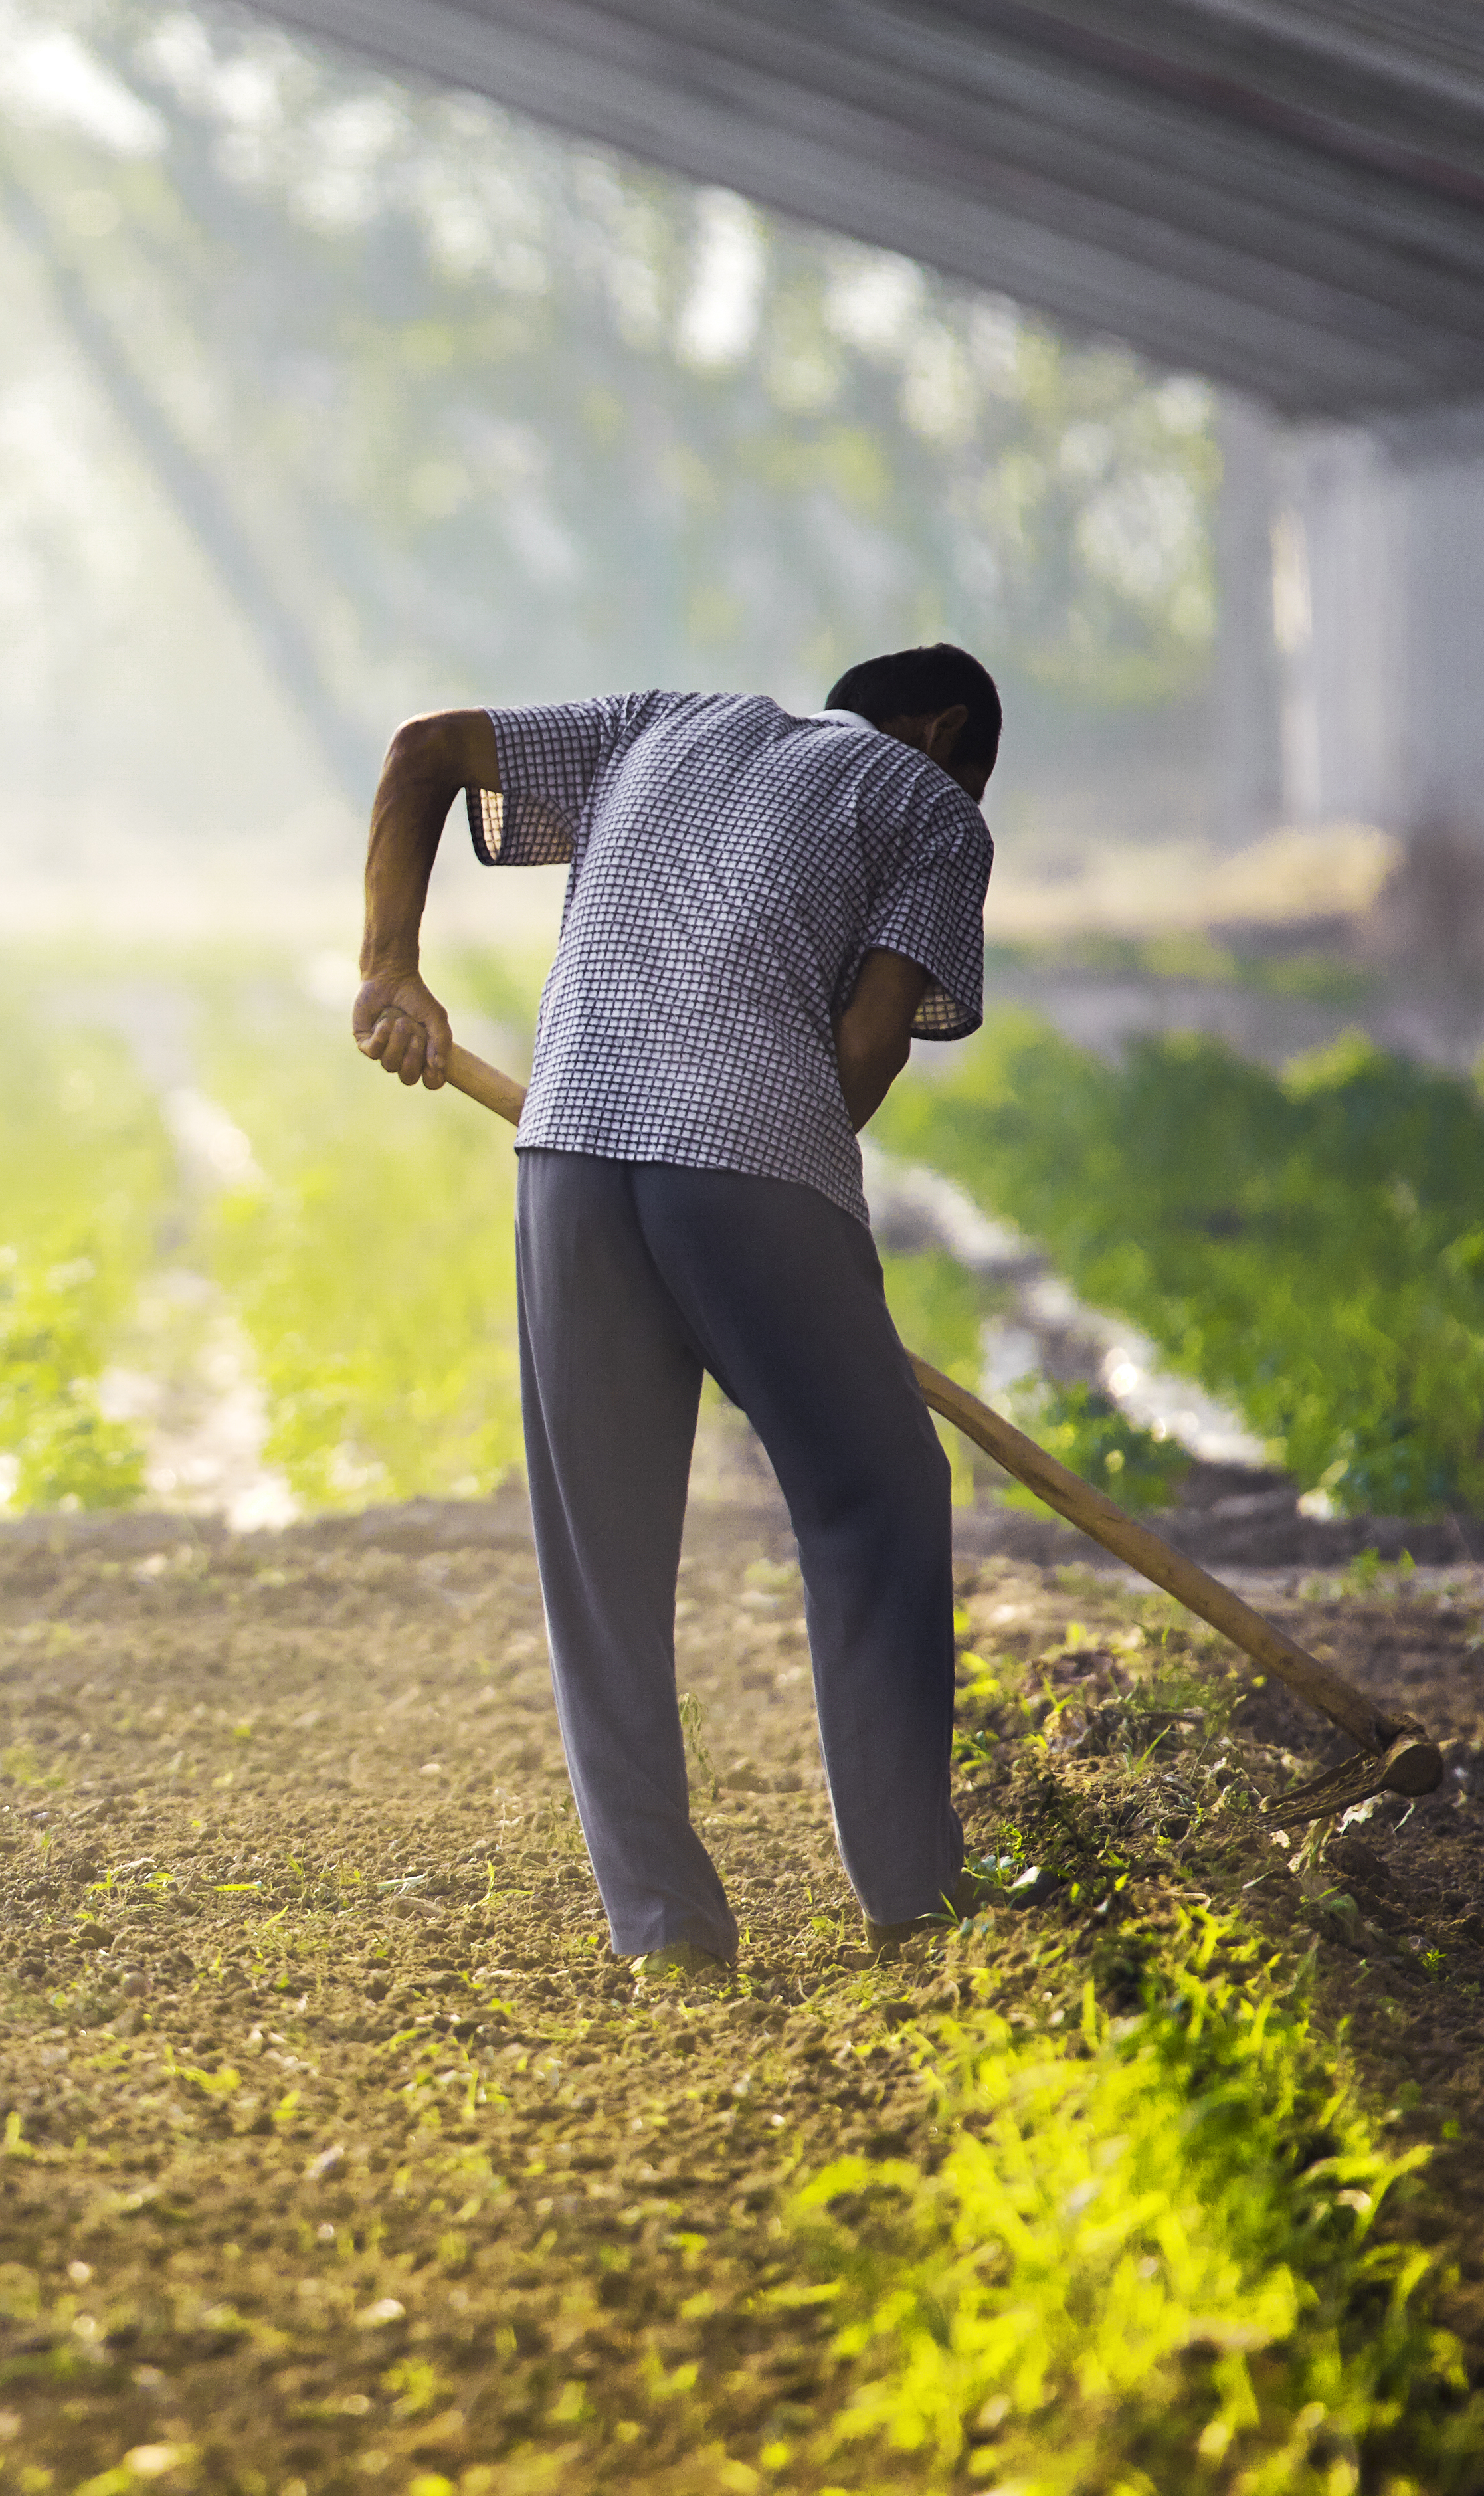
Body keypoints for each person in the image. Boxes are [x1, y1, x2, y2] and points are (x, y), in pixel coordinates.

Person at [349, 647, 1002, 1978]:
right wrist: (797, 1206)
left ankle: (667, 1935)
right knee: (873, 1499)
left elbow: (420, 750)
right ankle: (914, 1906)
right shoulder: (934, 805)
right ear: (942, 731)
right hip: (752, 1161)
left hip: (569, 1155)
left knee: (605, 1556)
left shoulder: (656, 722)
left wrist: (391, 968)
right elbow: (869, 1043)